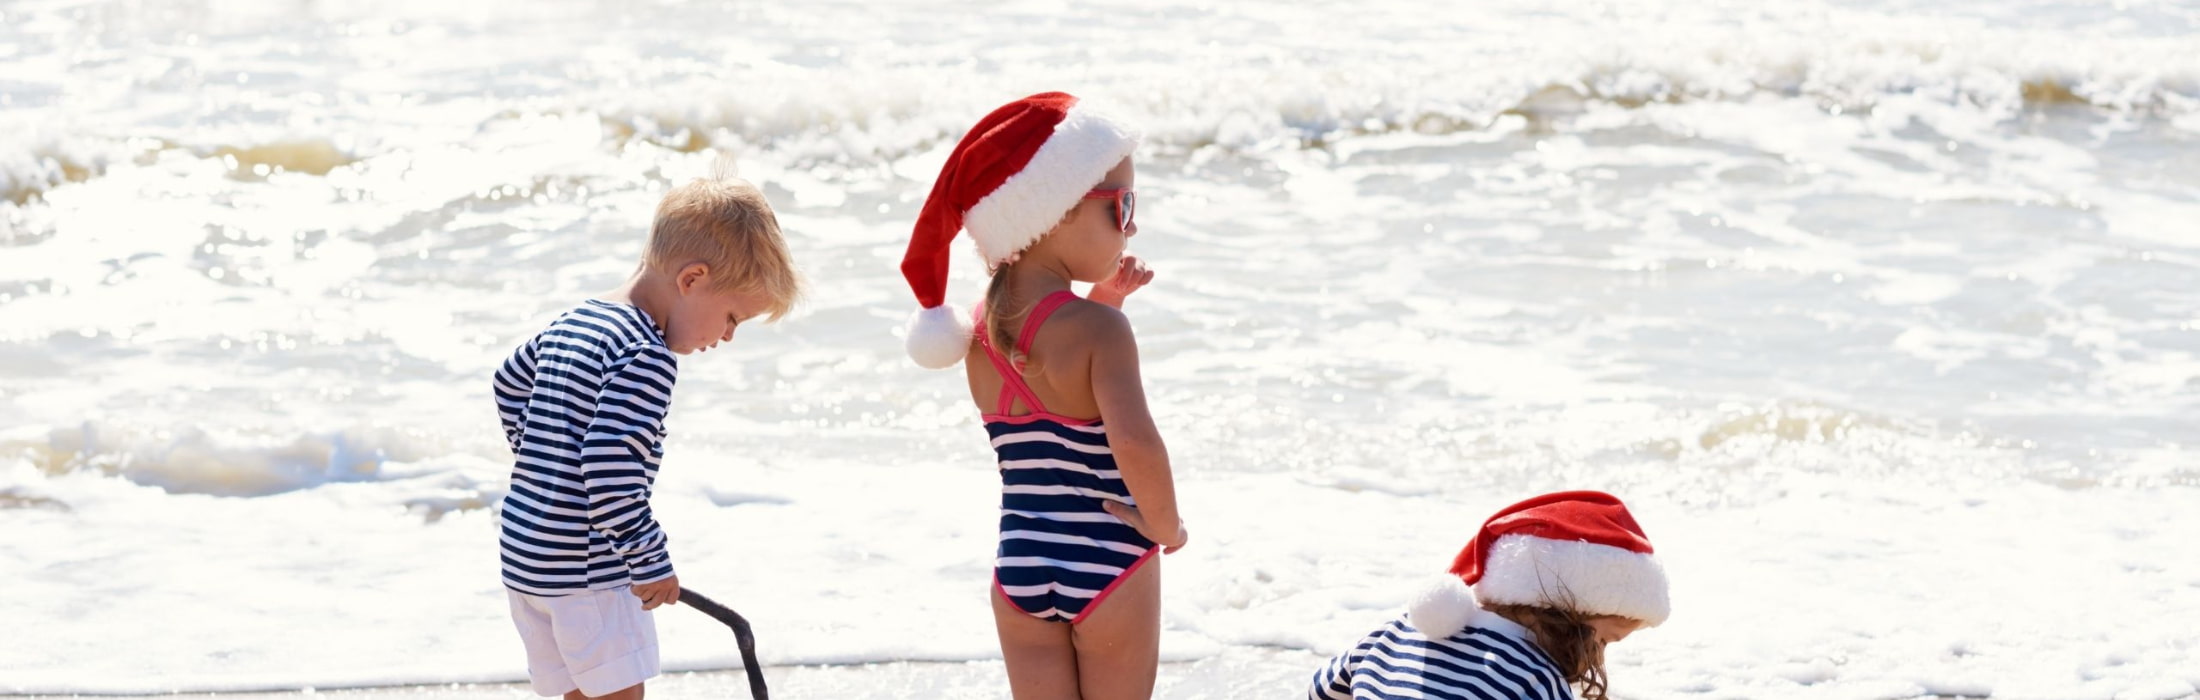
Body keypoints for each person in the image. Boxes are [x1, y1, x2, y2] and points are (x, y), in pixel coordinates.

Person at [897, 91, 1188, 699]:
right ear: (1055, 213)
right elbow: (1133, 443)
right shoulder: (1101, 332)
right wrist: (1165, 525)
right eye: (1121, 205)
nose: (1131, 225)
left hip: (1022, 560)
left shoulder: (978, 330)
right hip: (1107, 558)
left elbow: (1047, 400)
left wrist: (1102, 300)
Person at [491, 175, 801, 700]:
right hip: (586, 566)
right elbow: (610, 468)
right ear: (692, 279)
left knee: (578, 694)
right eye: (731, 318)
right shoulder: (645, 353)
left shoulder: (576, 321)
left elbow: (509, 380)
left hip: (526, 555)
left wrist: (546, 460)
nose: (726, 336)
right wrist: (649, 559)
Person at [1310, 491, 1670, 700]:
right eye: (1605, 640)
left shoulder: (1394, 633)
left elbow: (1320, 693)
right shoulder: (1534, 678)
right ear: (1570, 611)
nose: (1598, 657)